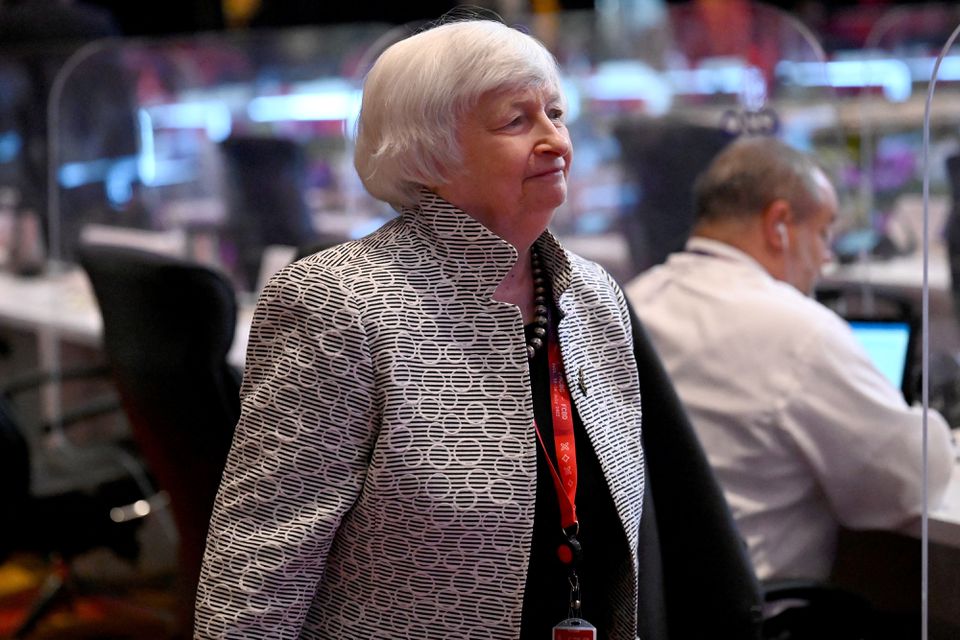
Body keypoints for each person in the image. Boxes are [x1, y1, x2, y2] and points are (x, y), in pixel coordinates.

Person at [194, 17, 648, 639]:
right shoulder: (337, 303)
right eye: (516, 121)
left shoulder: (592, 294)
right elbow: (259, 561)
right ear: (429, 150)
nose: (554, 140)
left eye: (556, 113)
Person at [625, 136, 956, 583]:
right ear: (779, 224)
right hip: (756, 610)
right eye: (823, 233)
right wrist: (935, 422)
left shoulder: (632, 304)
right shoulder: (799, 330)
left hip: (654, 608)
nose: (825, 260)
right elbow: (908, 480)